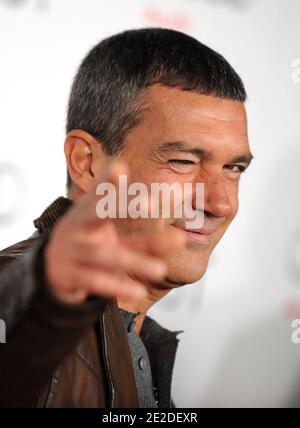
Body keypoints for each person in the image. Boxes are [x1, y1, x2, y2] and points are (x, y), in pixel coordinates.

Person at [0, 27, 253, 408]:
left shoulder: (135, 336)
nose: (219, 203)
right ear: (87, 164)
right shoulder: (26, 311)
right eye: (183, 161)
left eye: (233, 167)